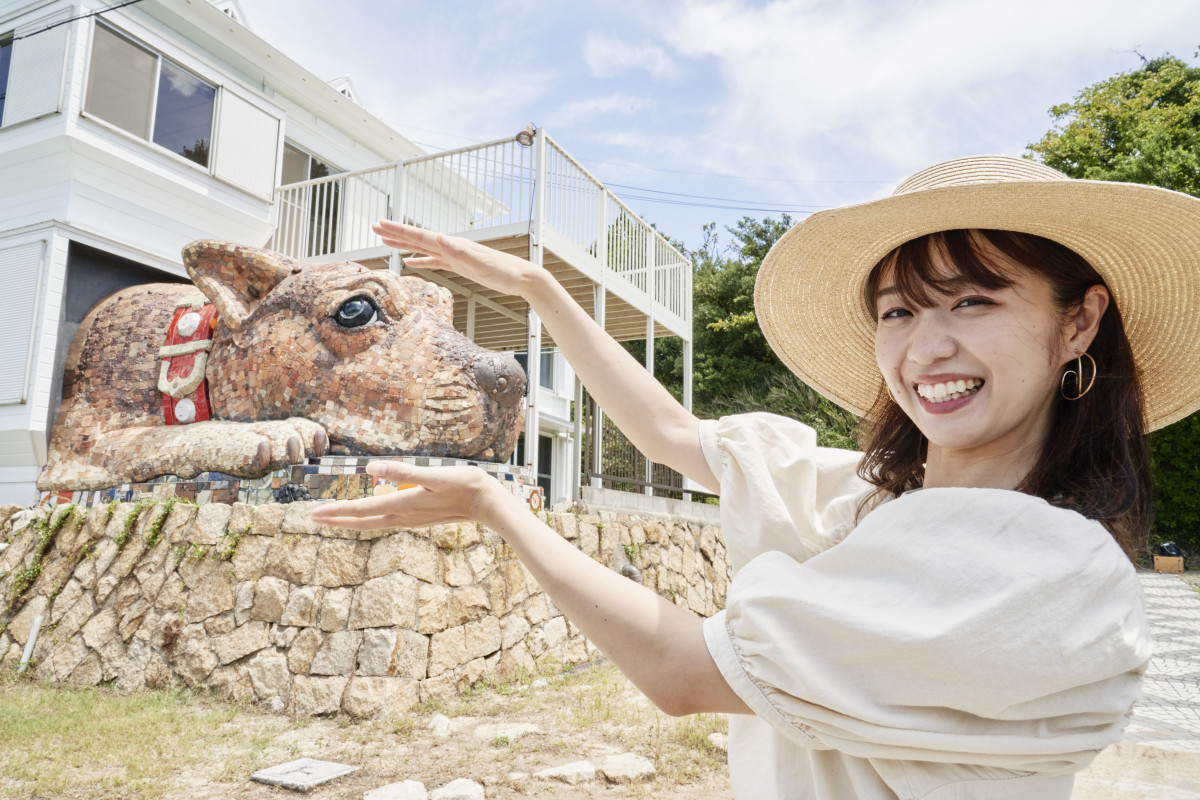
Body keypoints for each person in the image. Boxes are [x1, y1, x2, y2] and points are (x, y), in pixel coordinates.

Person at [311, 155, 1200, 799]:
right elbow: (668, 433)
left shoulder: (1044, 572)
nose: (929, 346)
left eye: (975, 299)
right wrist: (545, 292)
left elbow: (680, 670)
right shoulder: (878, 500)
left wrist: (499, 505)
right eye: (899, 311)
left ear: (1079, 322)